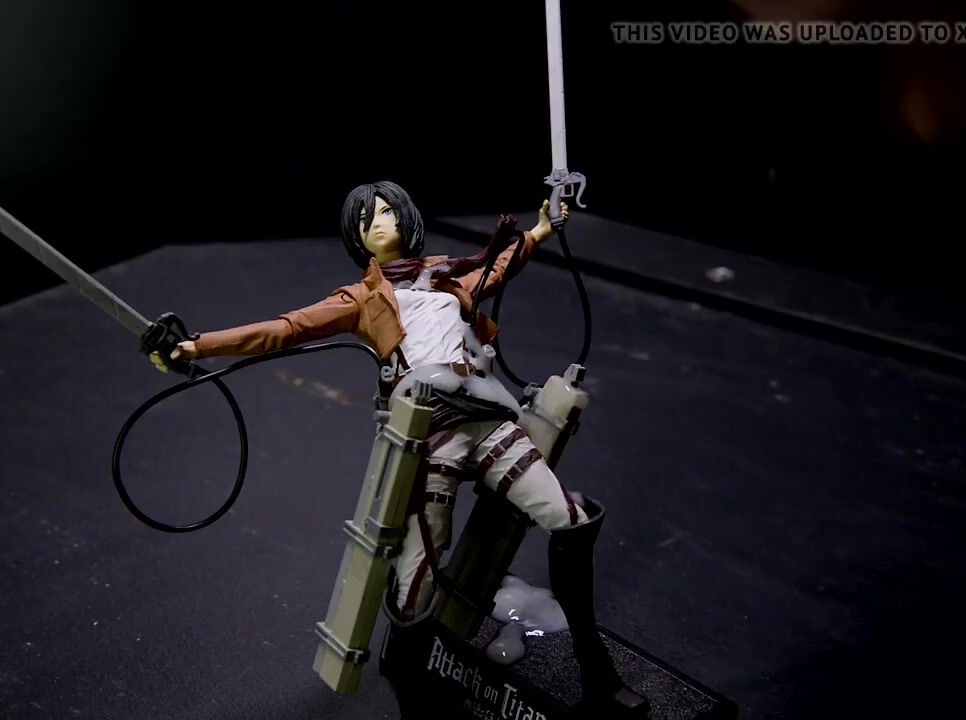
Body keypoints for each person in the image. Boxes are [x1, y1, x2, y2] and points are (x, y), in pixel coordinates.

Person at [150, 180, 648, 714]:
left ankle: (593, 665)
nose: (379, 223)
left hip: (486, 417)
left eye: (387, 211)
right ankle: (412, 680)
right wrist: (197, 346)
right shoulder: (361, 298)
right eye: (366, 220)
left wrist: (541, 230)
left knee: (571, 521)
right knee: (416, 582)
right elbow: (287, 328)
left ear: (406, 216)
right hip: (428, 432)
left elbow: (498, 268)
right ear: (357, 237)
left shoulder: (447, 276)